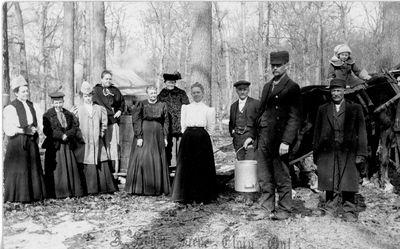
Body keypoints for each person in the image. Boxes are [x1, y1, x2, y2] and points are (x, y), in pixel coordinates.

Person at [313, 78, 368, 222]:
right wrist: (316, 153)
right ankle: (330, 207)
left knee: (348, 179)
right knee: (329, 178)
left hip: (348, 150)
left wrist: (361, 153)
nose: (336, 93)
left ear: (344, 91)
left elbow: (362, 132)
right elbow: (317, 133)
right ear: (330, 92)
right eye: (333, 91)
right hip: (328, 150)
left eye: (338, 90)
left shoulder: (355, 108)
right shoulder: (323, 109)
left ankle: (349, 209)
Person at [255, 51, 302, 220]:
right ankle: (266, 206)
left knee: (281, 175)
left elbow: (295, 117)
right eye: (273, 65)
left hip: (279, 139)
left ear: (286, 65)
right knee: (264, 175)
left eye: (278, 65)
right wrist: (254, 135)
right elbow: (261, 111)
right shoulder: (267, 86)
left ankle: (284, 208)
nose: (275, 68)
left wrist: (286, 141)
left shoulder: (292, 87)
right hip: (264, 137)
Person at [3, 76, 47, 203]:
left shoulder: (32, 105)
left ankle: (34, 195)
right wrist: (23, 130)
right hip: (18, 142)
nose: (26, 93)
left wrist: (35, 129)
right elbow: (9, 128)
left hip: (30, 141)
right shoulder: (11, 107)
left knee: (32, 167)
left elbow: (38, 122)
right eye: (23, 91)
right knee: (20, 168)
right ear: (16, 93)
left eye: (27, 91)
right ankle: (19, 196)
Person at [172, 82, 217, 204]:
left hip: (202, 138)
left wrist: (202, 136)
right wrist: (188, 134)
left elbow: (211, 128)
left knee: (201, 167)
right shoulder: (186, 108)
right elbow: (183, 125)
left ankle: (202, 196)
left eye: (198, 92)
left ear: (203, 93)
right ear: (191, 94)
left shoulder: (208, 109)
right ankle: (186, 196)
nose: (196, 94)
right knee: (187, 167)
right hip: (188, 138)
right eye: (193, 92)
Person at [125, 86, 171, 195]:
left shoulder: (162, 105)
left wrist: (165, 137)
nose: (153, 95)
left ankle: (157, 188)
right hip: (145, 134)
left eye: (155, 93)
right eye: (151, 93)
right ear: (147, 94)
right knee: (144, 157)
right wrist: (139, 136)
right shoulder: (142, 104)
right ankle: (142, 188)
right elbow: (136, 120)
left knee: (156, 158)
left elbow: (166, 121)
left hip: (158, 135)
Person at [74, 81, 118, 195]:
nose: (88, 98)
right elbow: (75, 125)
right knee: (85, 159)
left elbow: (104, 123)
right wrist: (79, 137)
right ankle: (87, 188)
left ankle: (103, 186)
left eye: (89, 96)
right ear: (82, 97)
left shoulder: (99, 108)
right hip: (84, 142)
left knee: (100, 158)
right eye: (85, 96)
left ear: (92, 96)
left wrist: (101, 132)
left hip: (97, 141)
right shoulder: (78, 109)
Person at [43, 92, 85, 198]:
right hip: (55, 146)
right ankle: (58, 192)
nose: (58, 105)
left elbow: (74, 127)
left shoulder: (68, 114)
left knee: (70, 167)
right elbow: (47, 131)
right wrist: (61, 136)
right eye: (56, 103)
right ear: (52, 103)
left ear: (63, 102)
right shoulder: (47, 115)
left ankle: (71, 191)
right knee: (58, 170)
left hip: (68, 145)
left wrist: (67, 134)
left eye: (60, 102)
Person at [92, 70, 125, 176]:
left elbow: (122, 103)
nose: (108, 81)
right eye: (106, 78)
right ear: (101, 79)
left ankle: (114, 170)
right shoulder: (96, 90)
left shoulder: (115, 90)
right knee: (101, 145)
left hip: (112, 121)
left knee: (113, 145)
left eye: (110, 79)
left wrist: (120, 110)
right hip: (100, 123)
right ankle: (102, 171)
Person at [327, 44, 374, 111]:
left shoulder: (350, 62)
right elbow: (330, 74)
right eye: (342, 55)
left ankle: (369, 101)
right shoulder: (333, 63)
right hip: (339, 80)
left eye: (346, 55)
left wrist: (366, 76)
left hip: (350, 79)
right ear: (338, 55)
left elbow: (357, 71)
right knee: (340, 92)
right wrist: (331, 81)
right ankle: (341, 108)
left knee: (360, 84)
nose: (344, 57)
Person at [157, 71, 190, 169]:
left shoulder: (181, 93)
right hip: (167, 124)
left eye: (173, 82)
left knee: (180, 145)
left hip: (179, 123)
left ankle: (180, 165)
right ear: (165, 82)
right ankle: (170, 165)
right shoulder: (161, 95)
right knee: (169, 145)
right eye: (169, 82)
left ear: (175, 83)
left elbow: (187, 107)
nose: (171, 84)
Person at [229, 80, 260, 160]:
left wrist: (252, 138)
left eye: (244, 89)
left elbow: (260, 123)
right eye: (240, 89)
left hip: (251, 140)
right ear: (236, 91)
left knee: (250, 165)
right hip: (237, 141)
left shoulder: (256, 104)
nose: (242, 92)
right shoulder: (233, 106)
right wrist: (233, 133)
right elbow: (231, 122)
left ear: (248, 90)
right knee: (240, 165)